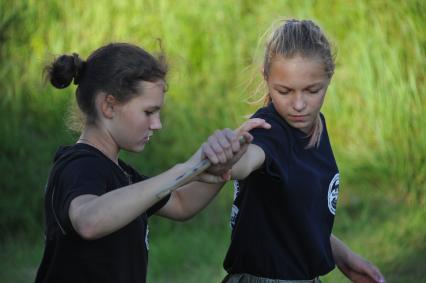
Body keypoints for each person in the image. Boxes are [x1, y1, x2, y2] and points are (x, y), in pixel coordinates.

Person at [34, 42, 271, 283]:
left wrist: (222, 162)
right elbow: (88, 220)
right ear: (108, 105)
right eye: (149, 112)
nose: (157, 124)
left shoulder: (120, 172)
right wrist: (185, 168)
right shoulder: (80, 164)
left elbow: (181, 203)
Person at [221, 19, 386, 283]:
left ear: (329, 78)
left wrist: (345, 257)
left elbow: (298, 215)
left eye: (312, 90)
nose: (299, 105)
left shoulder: (316, 127)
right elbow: (244, 163)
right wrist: (231, 155)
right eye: (284, 91)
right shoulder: (268, 128)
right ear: (266, 77)